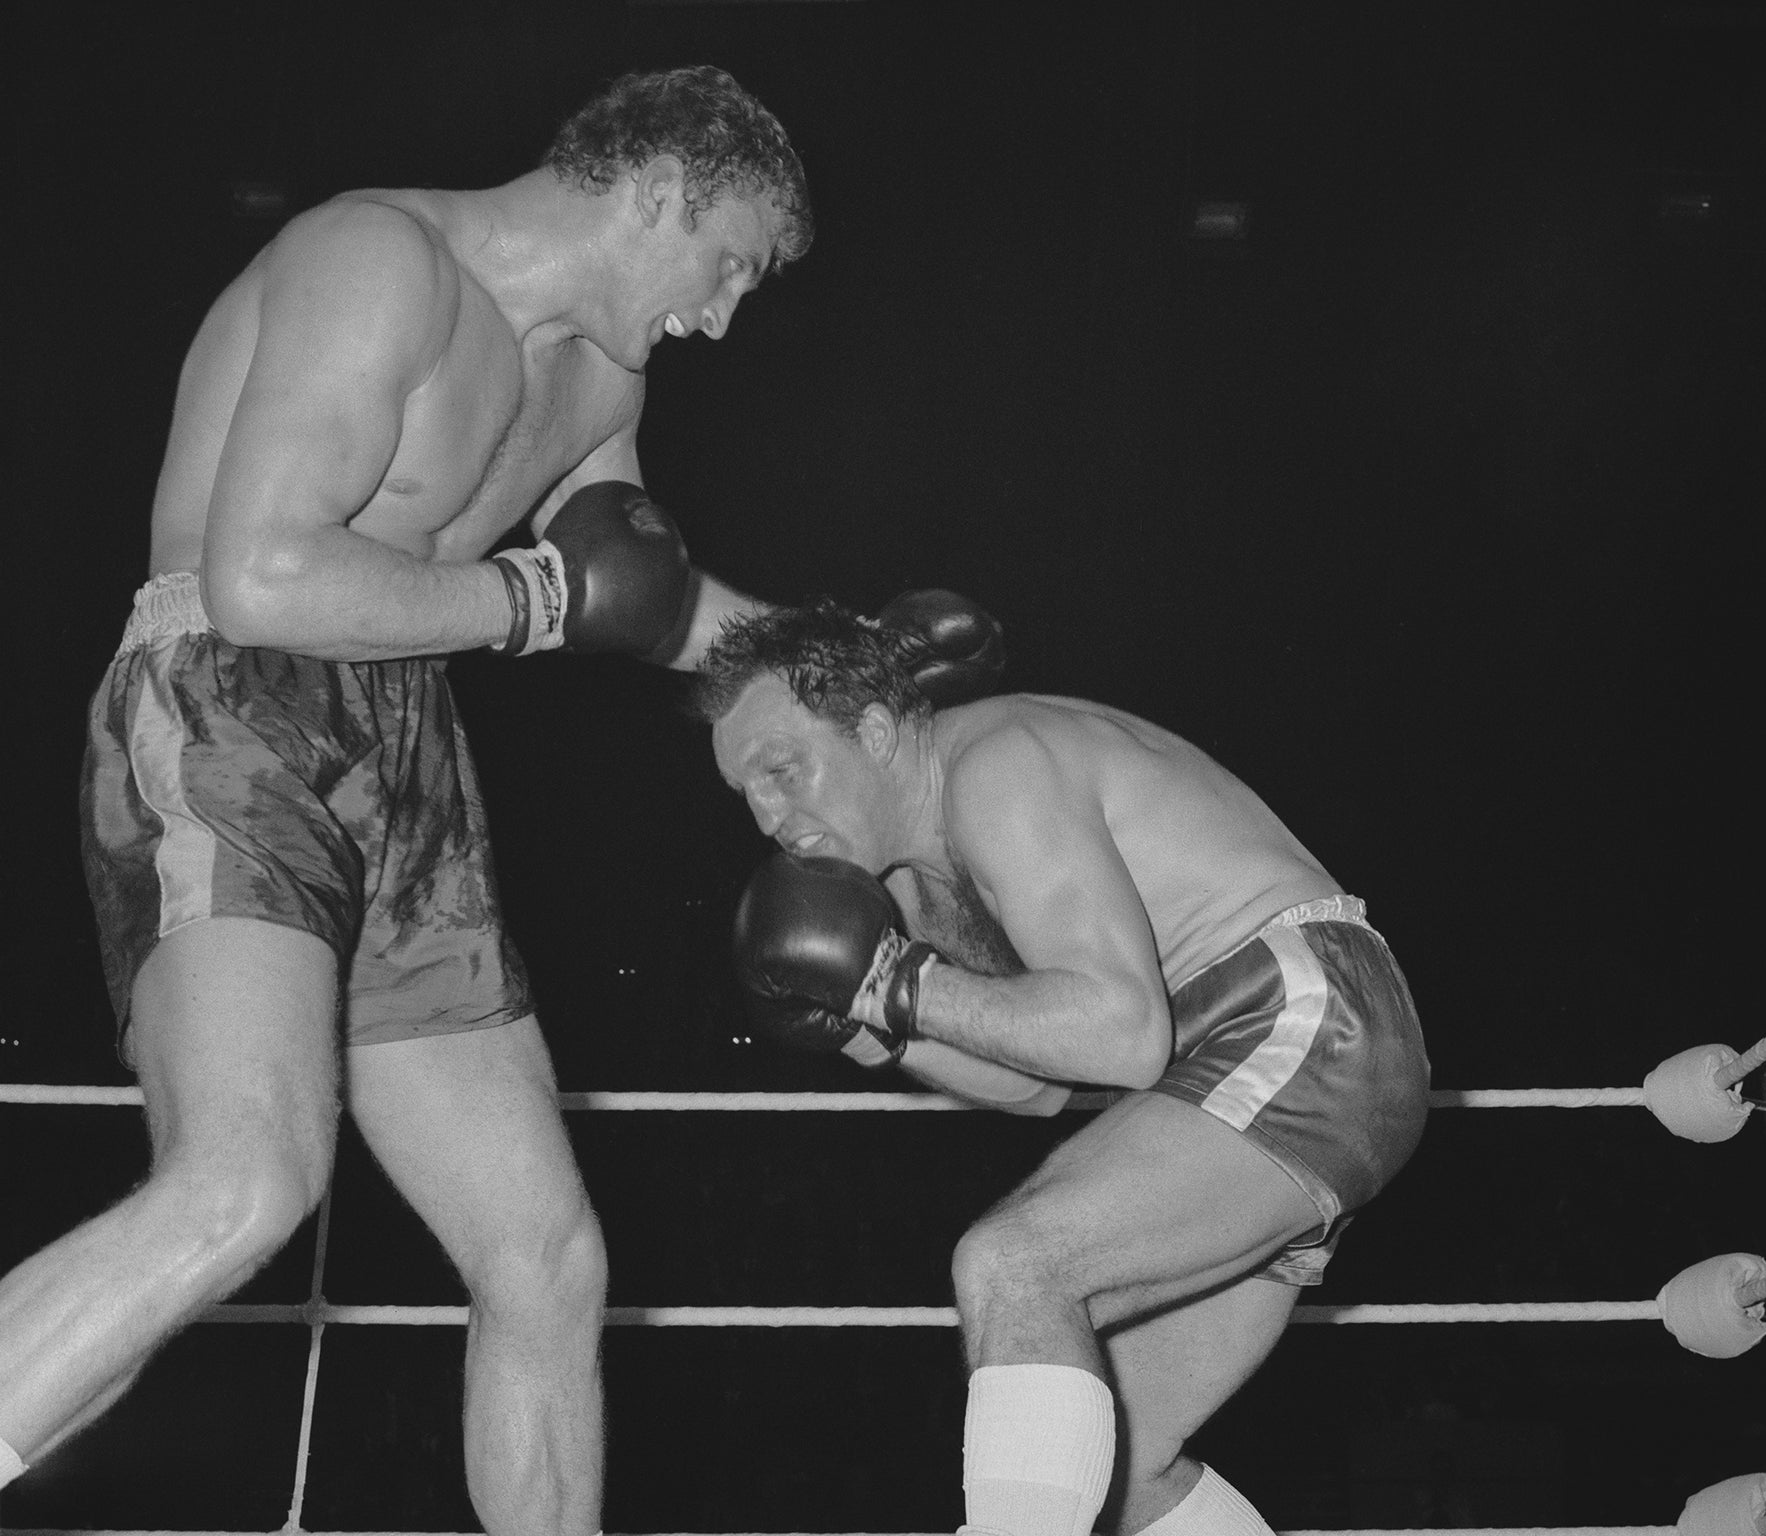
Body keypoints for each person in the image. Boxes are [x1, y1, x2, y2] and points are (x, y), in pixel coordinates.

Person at [0, 68, 996, 1523]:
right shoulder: (377, 260)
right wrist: (533, 597)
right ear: (664, 190)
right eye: (726, 269)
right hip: (234, 701)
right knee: (244, 1181)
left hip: (411, 747)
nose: (719, 319)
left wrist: (861, 673)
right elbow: (262, 574)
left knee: (546, 1254)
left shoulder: (604, 381)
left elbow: (646, 607)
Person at [702, 599, 1432, 1536]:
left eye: (781, 769)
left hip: (1298, 1013)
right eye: (745, 792)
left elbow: (1121, 1033)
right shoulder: (907, 884)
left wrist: (896, 987)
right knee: (1116, 1462)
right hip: (1237, 1072)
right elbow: (1037, 1083)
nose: (767, 814)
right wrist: (871, 1027)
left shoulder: (998, 765)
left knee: (1016, 1267)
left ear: (877, 732)